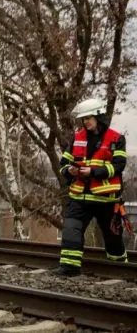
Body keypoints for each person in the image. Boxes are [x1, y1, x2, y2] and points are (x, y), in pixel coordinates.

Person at [53, 98, 129, 277]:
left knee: (113, 239)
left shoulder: (116, 139)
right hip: (80, 198)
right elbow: (64, 163)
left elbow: (118, 166)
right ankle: (69, 269)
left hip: (106, 199)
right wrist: (69, 171)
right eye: (83, 118)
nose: (86, 121)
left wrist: (93, 172)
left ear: (99, 116)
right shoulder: (77, 138)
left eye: (89, 117)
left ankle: (121, 271)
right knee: (71, 231)